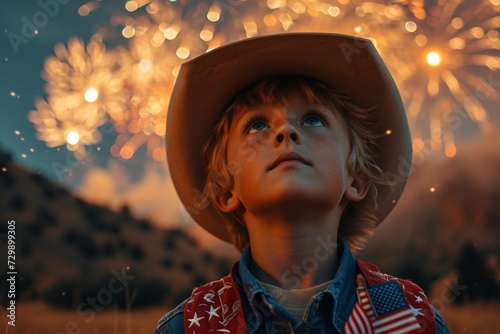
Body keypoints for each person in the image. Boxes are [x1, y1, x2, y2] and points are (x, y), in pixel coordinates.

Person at [155, 33, 450, 333]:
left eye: (312, 119)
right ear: (225, 189)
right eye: (257, 125)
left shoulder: (409, 319)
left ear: (357, 180)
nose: (285, 131)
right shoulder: (189, 326)